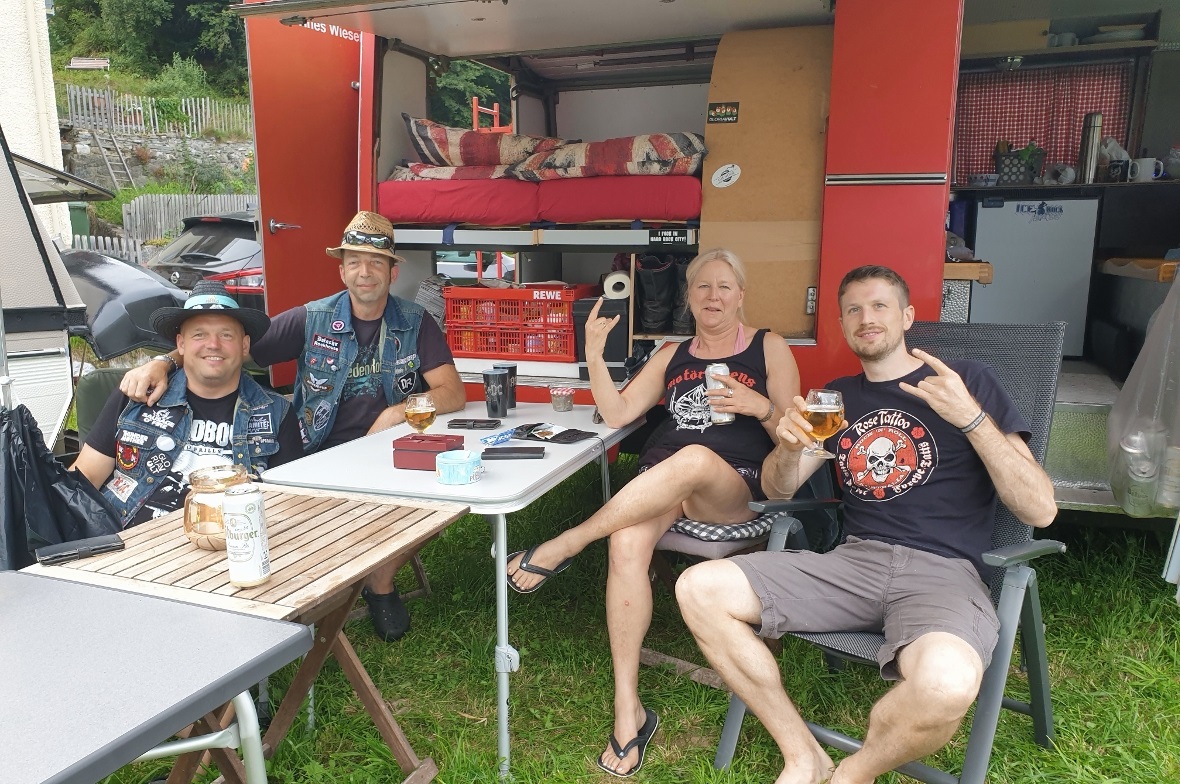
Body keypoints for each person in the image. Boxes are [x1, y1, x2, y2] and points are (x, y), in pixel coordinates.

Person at [675, 265, 1058, 784]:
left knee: (945, 686)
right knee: (700, 588)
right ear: (842, 324)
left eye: (880, 305)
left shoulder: (963, 383)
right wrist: (791, 447)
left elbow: (1039, 510)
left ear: (907, 316)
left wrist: (970, 417)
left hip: (943, 573)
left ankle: (854, 772)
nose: (866, 317)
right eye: (853, 309)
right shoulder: (835, 399)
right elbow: (777, 489)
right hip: (852, 563)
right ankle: (802, 753)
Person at [505, 248, 800, 777]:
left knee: (693, 458)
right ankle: (629, 711)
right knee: (626, 542)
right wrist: (594, 354)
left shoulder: (767, 347)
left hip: (733, 487)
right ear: (688, 297)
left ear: (741, 295)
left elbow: (796, 436)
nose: (713, 296)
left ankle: (567, 542)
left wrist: (760, 408)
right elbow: (618, 412)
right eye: (702, 287)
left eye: (724, 287)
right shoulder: (671, 353)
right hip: (663, 484)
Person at [117, 211, 467, 641]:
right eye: (354, 261)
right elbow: (226, 347)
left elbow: (452, 392)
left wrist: (398, 413)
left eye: (376, 262)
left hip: (389, 450)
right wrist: (163, 360)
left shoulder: (415, 321)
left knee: (449, 496)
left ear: (392, 272)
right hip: (316, 455)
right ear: (341, 270)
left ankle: (381, 579)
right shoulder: (311, 318)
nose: (365, 272)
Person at [72, 280, 304, 526]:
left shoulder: (276, 414)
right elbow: (84, 479)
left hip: (225, 549)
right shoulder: (136, 393)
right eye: (199, 334)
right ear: (181, 344)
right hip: (124, 544)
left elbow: (288, 507)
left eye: (226, 335)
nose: (213, 344)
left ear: (244, 345)